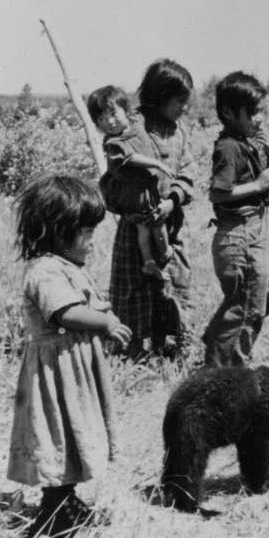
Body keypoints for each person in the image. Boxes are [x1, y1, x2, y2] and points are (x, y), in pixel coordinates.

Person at [8, 173, 132, 538]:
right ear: (58, 231)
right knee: (60, 436)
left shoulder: (65, 265)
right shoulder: (45, 270)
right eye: (86, 233)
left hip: (73, 370)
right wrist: (106, 321)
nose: (93, 242)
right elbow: (64, 313)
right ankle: (53, 518)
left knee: (75, 436)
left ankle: (66, 502)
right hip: (56, 374)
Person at [107, 59, 196, 359]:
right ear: (160, 95)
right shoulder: (133, 127)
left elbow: (188, 171)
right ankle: (131, 350)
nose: (184, 108)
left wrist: (173, 200)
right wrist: (129, 203)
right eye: (179, 101)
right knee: (134, 288)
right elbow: (113, 175)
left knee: (174, 283)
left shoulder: (180, 132)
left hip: (170, 228)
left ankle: (169, 345)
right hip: (136, 225)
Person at [202, 71, 269, 367]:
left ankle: (219, 346)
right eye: (253, 112)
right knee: (247, 307)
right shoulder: (228, 146)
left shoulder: (243, 142)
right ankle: (227, 370)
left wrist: (266, 148)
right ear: (228, 112)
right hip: (240, 235)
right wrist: (258, 185)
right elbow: (218, 193)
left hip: (253, 231)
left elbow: (266, 177)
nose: (259, 118)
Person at [87, 85, 175, 281]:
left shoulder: (137, 123)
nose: (109, 121)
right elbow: (132, 157)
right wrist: (157, 163)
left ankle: (156, 259)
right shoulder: (113, 144)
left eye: (113, 113)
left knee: (150, 228)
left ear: (125, 110)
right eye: (102, 119)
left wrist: (162, 152)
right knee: (151, 227)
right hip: (136, 195)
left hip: (148, 189)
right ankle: (159, 257)